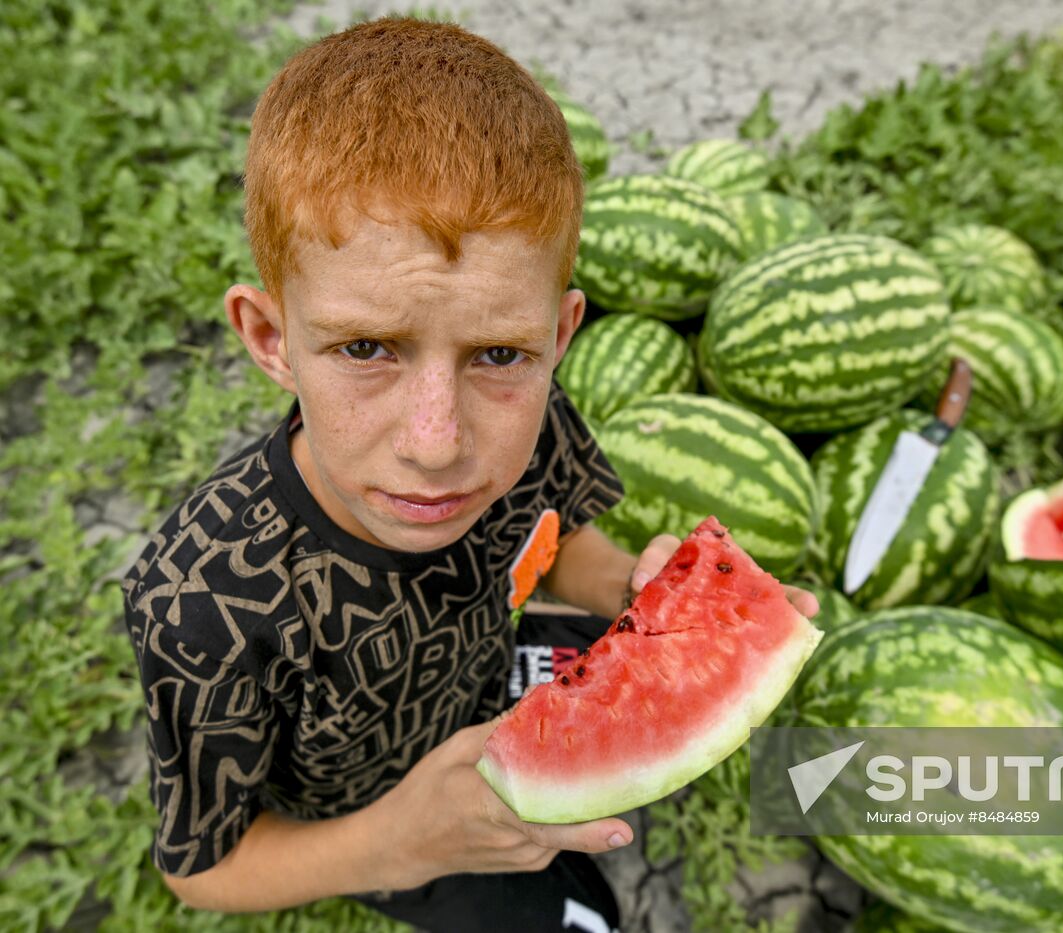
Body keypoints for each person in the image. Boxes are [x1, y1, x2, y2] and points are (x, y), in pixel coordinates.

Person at [119, 15, 817, 933]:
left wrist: (636, 594)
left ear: (559, 337)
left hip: (492, 687)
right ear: (270, 338)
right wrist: (404, 842)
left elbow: (558, 545)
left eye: (498, 354)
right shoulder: (203, 605)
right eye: (366, 347)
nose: (439, 442)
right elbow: (205, 871)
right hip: (369, 820)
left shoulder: (525, 432)